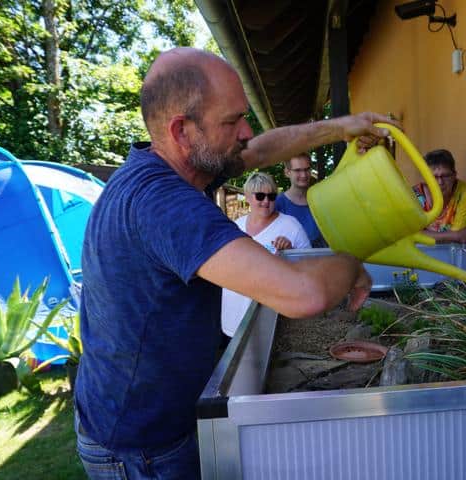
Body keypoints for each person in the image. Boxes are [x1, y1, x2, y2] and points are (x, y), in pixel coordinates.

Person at [74, 47, 396, 480]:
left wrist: (343, 128)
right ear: (181, 131)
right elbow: (303, 293)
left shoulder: (183, 167)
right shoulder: (163, 203)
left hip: (152, 426)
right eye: (231, 121)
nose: (245, 131)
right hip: (141, 451)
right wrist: (351, 263)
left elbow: (262, 149)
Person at [221, 172, 310, 338]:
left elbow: (310, 268)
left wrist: (290, 253)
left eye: (271, 196)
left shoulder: (290, 226)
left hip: (270, 317)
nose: (266, 201)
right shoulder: (235, 226)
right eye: (260, 196)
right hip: (233, 316)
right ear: (247, 197)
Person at [412, 149, 466, 243]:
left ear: (455, 175)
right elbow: (410, 235)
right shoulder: (414, 195)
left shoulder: (464, 191)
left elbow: (459, 241)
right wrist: (456, 235)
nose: (440, 182)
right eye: (434, 177)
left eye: (445, 176)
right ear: (425, 179)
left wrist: (425, 234)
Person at [275, 152, 327, 247]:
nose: (303, 175)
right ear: (287, 172)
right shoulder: (277, 204)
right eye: (298, 170)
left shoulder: (322, 200)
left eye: (306, 169)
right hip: (291, 260)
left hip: (323, 258)